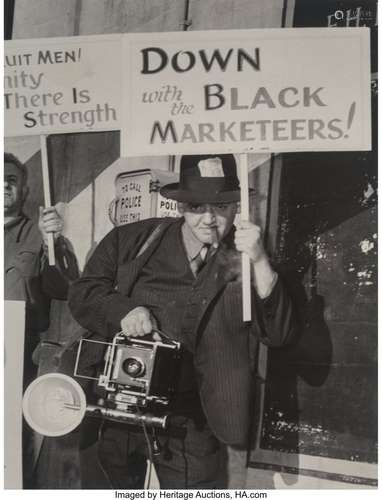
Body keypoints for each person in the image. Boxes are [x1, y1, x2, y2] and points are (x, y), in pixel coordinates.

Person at [69, 154, 296, 489]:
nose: (208, 219)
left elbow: (278, 335)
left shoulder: (250, 258)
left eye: (220, 207)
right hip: (119, 408)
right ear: (179, 207)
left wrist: (260, 261)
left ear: (236, 207)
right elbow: (83, 293)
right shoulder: (129, 241)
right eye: (196, 206)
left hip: (195, 419)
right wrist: (124, 311)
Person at [4, 152, 77, 487]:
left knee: (10, 441)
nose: (4, 184)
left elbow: (64, 288)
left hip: (18, 352)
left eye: (12, 179)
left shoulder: (40, 233)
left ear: (25, 188)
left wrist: (55, 242)